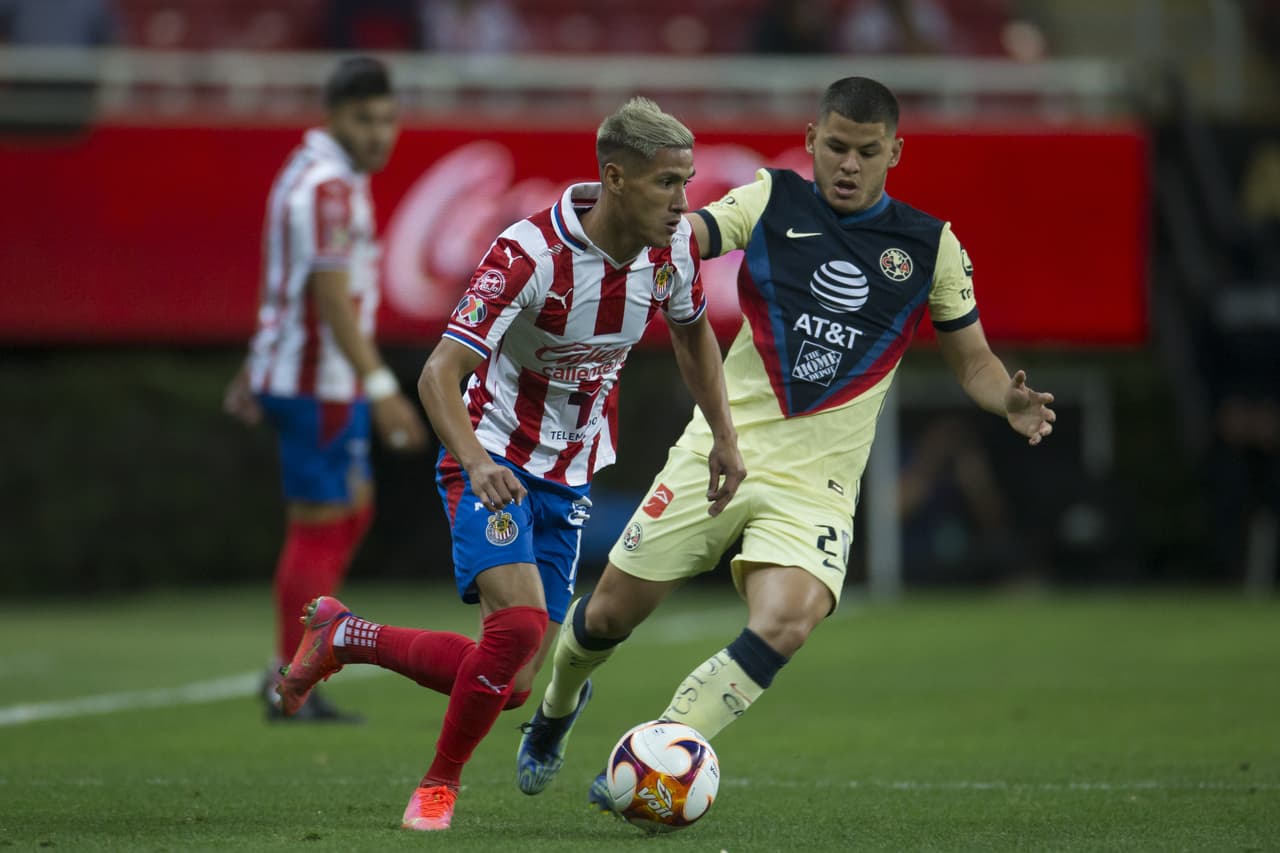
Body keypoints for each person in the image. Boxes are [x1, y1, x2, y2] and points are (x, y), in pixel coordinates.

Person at [513, 76, 1057, 809]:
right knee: (609, 614)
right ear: (810, 140)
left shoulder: (931, 247)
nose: (849, 163)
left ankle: (660, 755)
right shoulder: (772, 198)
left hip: (817, 485)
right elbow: (694, 232)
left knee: (790, 616)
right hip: (720, 451)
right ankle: (555, 711)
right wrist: (642, 222)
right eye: (835, 145)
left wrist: (1009, 400)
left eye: (868, 151)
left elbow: (976, 362)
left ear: (895, 152)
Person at [274, 96, 746, 831]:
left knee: (516, 681)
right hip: (490, 453)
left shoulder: (675, 249)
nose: (682, 202)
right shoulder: (529, 253)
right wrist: (474, 460)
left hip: (572, 471)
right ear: (615, 179)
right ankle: (437, 786)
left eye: (686, 183)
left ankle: (344, 635)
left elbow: (692, 337)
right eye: (666, 183)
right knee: (522, 629)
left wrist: (724, 434)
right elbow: (438, 373)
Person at [222, 56, 428, 723]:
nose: (380, 134)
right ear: (333, 116)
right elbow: (331, 297)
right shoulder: (330, 188)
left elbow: (278, 276)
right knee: (318, 527)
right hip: (320, 382)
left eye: (388, 120)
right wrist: (382, 386)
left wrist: (258, 355)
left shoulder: (310, 174)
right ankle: (292, 684)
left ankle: (297, 663)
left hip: (314, 375)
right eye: (364, 119)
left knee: (351, 509)